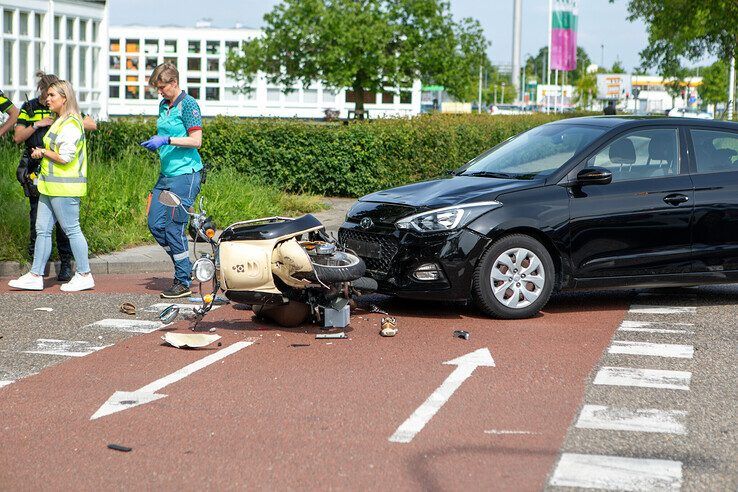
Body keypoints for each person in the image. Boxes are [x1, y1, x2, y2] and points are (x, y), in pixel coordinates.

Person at [8, 81, 94, 292]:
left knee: (72, 230)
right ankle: (36, 275)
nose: (48, 99)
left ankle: (84, 274)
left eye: (52, 95)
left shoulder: (71, 123)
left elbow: (65, 158)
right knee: (42, 230)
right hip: (50, 186)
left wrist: (43, 152)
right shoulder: (60, 120)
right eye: (47, 96)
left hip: (64, 188)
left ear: (64, 98)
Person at [141, 62, 203, 299]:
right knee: (156, 224)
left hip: (185, 174)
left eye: (162, 87)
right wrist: (156, 141)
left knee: (174, 227)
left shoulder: (188, 105)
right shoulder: (163, 105)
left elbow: (196, 141)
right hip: (166, 175)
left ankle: (183, 279)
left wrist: (166, 140)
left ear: (174, 83)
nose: (159, 92)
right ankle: (184, 265)